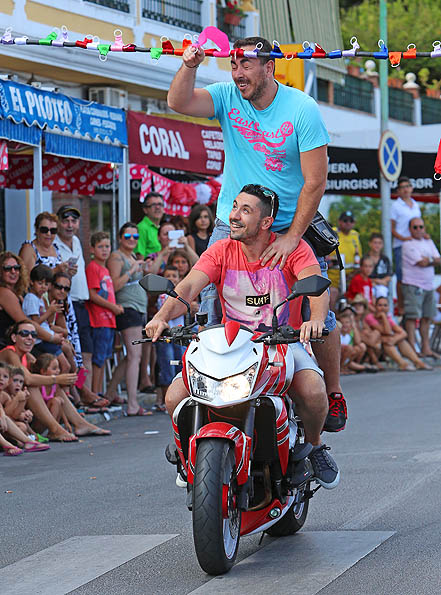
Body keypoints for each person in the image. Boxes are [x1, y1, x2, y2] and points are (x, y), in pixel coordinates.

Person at [167, 36, 346, 433]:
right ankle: (202, 419)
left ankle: (330, 394)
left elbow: (315, 182)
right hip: (232, 225)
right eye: (233, 64)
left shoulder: (301, 108)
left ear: (269, 67)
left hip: (287, 225)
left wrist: (291, 236)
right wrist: (191, 65)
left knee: (317, 313)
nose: (237, 72)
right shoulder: (228, 96)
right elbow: (179, 103)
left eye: (246, 64)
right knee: (211, 313)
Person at [146, 185, 339, 489]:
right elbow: (187, 287)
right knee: (174, 396)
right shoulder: (221, 249)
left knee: (314, 391)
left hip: (280, 344)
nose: (233, 216)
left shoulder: (291, 248)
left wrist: (314, 320)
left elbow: (315, 286)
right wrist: (159, 317)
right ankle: (187, 456)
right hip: (227, 346)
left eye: (244, 211)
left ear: (266, 222)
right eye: (234, 207)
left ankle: (313, 448)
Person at [0, 320, 111, 438]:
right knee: (33, 386)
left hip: (21, 410)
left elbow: (43, 374)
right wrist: (57, 379)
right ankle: (55, 429)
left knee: (53, 385)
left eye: (33, 335)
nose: (30, 338)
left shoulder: (27, 356)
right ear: (14, 337)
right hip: (6, 408)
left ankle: (80, 423)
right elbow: (29, 379)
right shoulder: (9, 352)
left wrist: (71, 377)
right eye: (24, 334)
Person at [106, 222, 152, 416]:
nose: (132, 240)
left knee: (131, 356)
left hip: (138, 309)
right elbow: (114, 285)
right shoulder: (116, 257)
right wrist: (132, 271)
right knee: (135, 356)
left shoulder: (132, 256)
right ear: (119, 238)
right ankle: (133, 404)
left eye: (135, 237)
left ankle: (109, 393)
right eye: (128, 237)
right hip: (128, 309)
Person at [85, 232, 124, 396]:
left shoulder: (105, 269)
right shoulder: (93, 267)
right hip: (98, 320)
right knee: (98, 360)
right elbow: (92, 295)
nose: (104, 250)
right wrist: (113, 307)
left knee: (104, 358)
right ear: (92, 249)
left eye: (107, 246)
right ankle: (95, 394)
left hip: (108, 320)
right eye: (100, 246)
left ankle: (98, 392)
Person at [22, 264, 74, 373]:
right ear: (52, 286)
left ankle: (78, 386)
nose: (62, 291)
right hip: (44, 340)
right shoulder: (39, 300)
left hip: (66, 341)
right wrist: (50, 313)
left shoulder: (60, 303)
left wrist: (59, 332)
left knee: (79, 363)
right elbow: (37, 323)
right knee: (68, 364)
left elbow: (65, 331)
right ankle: (73, 387)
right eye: (59, 287)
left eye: (66, 289)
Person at [401, 217, 441, 358]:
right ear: (410, 229)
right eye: (415, 227)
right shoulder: (407, 244)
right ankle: (412, 349)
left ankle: (426, 348)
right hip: (413, 285)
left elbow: (438, 259)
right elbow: (421, 262)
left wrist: (428, 260)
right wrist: (431, 260)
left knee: (427, 317)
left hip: (428, 285)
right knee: (412, 317)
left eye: (421, 227)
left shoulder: (428, 241)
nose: (419, 230)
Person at [364, 296, 432, 371]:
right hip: (373, 346)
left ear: (388, 307)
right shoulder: (370, 317)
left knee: (400, 340)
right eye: (380, 305)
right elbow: (386, 331)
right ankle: (402, 364)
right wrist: (383, 317)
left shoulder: (388, 318)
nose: (382, 308)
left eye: (385, 305)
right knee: (388, 342)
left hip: (384, 342)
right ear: (375, 307)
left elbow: (403, 333)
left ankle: (418, 362)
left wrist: (393, 339)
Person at [153, 265, 186, 413]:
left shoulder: (182, 295)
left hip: (181, 337)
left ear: (180, 279)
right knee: (167, 367)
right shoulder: (163, 296)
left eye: (174, 276)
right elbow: (167, 313)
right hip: (166, 336)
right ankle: (168, 400)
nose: (171, 278)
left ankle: (183, 400)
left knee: (182, 367)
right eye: (168, 276)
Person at [391, 177, 422, 314]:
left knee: (415, 276)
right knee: (401, 276)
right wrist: (404, 238)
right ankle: (401, 306)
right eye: (403, 187)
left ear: (411, 188)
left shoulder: (415, 204)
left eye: (408, 186)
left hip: (415, 245)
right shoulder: (395, 206)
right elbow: (391, 229)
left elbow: (419, 225)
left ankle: (413, 304)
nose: (406, 189)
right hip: (401, 245)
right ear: (398, 190)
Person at [328, 210, 362, 295]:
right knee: (332, 294)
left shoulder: (355, 235)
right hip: (334, 276)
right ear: (339, 221)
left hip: (351, 276)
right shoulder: (332, 232)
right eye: (345, 220)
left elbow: (359, 257)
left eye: (351, 221)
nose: (348, 223)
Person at [134, 192, 164, 258]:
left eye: (160, 204)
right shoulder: (141, 228)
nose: (158, 207)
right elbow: (139, 256)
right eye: (153, 205)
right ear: (145, 210)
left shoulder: (162, 228)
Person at [367, 233, 392, 299]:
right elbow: (362, 276)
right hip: (368, 285)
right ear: (370, 244)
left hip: (382, 286)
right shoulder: (365, 258)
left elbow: (389, 276)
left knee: (381, 292)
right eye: (375, 243)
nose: (377, 245)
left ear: (382, 245)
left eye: (379, 243)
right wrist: (376, 281)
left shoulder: (385, 259)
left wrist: (379, 282)